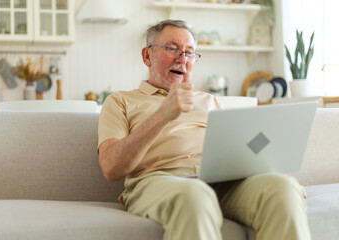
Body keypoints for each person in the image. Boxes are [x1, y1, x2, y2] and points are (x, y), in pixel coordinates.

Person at [97, 20, 311, 240]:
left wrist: (272, 171)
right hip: (159, 181)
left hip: (220, 180)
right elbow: (111, 167)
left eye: (189, 52)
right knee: (196, 195)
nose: (182, 58)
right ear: (147, 56)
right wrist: (162, 114)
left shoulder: (209, 100)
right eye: (172, 48)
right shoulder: (121, 101)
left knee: (282, 189)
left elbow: (237, 151)